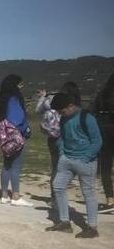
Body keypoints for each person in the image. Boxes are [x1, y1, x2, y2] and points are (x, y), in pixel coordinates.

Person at [45, 92, 103, 238]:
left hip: (85, 161)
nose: (60, 114)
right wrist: (62, 152)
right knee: (58, 186)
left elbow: (97, 141)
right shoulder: (64, 119)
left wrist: (86, 157)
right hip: (67, 159)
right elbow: (63, 136)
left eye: (62, 111)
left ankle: (92, 227)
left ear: (71, 106)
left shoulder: (87, 118)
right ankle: (64, 222)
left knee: (88, 193)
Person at [36, 82, 81, 207]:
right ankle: (60, 196)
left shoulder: (51, 100)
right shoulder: (75, 106)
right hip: (67, 138)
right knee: (70, 168)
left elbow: (38, 110)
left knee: (56, 168)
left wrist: (42, 98)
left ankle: (55, 197)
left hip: (53, 138)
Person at [0, 74, 31, 206]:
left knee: (6, 165)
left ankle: (4, 194)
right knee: (16, 166)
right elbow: (18, 119)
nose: (22, 86)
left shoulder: (2, 100)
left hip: (4, 138)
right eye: (20, 84)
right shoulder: (14, 99)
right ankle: (15, 195)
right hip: (16, 136)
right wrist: (26, 129)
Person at [91, 72, 114, 212]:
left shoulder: (102, 95)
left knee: (105, 167)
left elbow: (91, 111)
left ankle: (110, 200)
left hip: (104, 131)